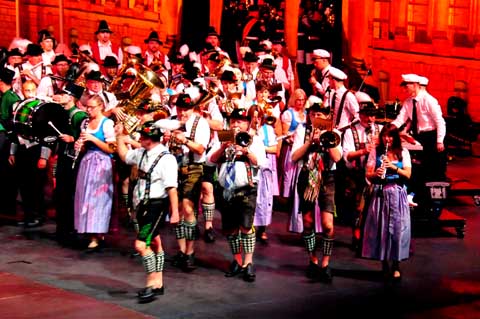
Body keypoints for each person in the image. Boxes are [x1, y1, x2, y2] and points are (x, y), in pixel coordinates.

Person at [116, 121, 179, 303]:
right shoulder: (142, 153)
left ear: (150, 139)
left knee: (141, 245)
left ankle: (151, 283)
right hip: (142, 204)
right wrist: (120, 136)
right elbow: (125, 157)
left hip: (156, 206)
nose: (139, 139)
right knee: (156, 242)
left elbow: (172, 188)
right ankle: (158, 283)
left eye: (142, 136)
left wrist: (174, 212)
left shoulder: (166, 159)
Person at [208, 108, 267, 282]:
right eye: (233, 121)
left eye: (240, 121)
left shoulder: (253, 140)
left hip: (246, 189)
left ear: (247, 123)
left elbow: (262, 163)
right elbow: (209, 161)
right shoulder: (223, 137)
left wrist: (246, 151)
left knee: (246, 227)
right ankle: (237, 260)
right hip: (227, 190)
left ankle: (248, 263)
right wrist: (223, 147)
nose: (236, 124)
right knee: (231, 229)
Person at [290, 101, 342, 283]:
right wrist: (310, 142)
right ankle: (312, 259)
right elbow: (294, 157)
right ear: (310, 115)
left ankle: (326, 263)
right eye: (315, 114)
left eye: (322, 114)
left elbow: (337, 157)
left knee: (328, 225)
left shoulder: (334, 132)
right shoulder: (301, 131)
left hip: (327, 178)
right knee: (308, 222)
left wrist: (326, 141)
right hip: (307, 176)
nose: (318, 117)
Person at [361, 124, 412, 282]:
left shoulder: (403, 152)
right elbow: (368, 174)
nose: (387, 139)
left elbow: (408, 174)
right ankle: (384, 264)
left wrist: (393, 168)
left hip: (397, 194)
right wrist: (375, 173)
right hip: (380, 194)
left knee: (398, 231)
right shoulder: (376, 152)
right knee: (381, 229)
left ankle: (396, 265)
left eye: (390, 136)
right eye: (384, 136)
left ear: (395, 137)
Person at [169, 88, 210, 272]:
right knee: (175, 210)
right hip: (174, 168)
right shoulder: (172, 121)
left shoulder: (201, 124)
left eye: (186, 109)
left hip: (194, 168)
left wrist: (183, 140)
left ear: (193, 108)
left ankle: (190, 251)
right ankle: (182, 250)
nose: (182, 112)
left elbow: (200, 149)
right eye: (179, 108)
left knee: (187, 207)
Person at [391, 74, 446, 208]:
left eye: (406, 86)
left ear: (415, 85)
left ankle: (434, 203)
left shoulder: (429, 100)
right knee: (418, 168)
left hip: (432, 137)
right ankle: (417, 197)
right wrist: (388, 129)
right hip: (419, 137)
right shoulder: (409, 102)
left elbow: (440, 122)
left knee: (434, 172)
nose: (405, 89)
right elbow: (400, 119)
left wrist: (439, 141)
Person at [74, 95, 116, 251]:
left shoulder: (107, 123)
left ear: (100, 107)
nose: (88, 110)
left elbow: (111, 148)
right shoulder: (85, 123)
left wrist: (92, 138)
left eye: (92, 107)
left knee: (98, 198)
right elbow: (85, 146)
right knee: (85, 196)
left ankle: (97, 234)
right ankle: (90, 232)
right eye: (87, 107)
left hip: (102, 162)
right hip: (87, 161)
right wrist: (81, 145)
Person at [341, 92, 382, 250]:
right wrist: (364, 151)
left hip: (376, 174)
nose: (370, 119)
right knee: (358, 208)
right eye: (367, 116)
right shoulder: (351, 132)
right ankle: (357, 236)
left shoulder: (380, 129)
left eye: (372, 116)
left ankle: (372, 237)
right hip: (357, 174)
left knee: (375, 207)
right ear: (361, 115)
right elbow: (347, 156)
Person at [9, 80, 53, 227]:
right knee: (24, 184)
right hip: (22, 149)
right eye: (26, 90)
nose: (29, 93)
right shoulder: (16, 106)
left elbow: (47, 134)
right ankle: (28, 215)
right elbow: (15, 131)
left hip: (36, 149)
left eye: (32, 90)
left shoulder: (42, 107)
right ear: (22, 90)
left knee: (37, 184)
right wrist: (12, 152)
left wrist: (44, 156)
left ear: (36, 90)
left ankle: (39, 215)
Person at [54, 82, 88, 245]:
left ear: (72, 98)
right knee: (60, 192)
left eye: (64, 94)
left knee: (70, 193)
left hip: (73, 159)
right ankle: (61, 228)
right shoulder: (60, 112)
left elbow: (84, 137)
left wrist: (72, 139)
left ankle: (70, 228)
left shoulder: (79, 115)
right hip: (62, 156)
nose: (61, 96)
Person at [0, 68, 20, 216]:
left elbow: (13, 121)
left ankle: (8, 206)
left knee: (7, 172)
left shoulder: (10, 97)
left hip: (7, 138)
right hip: (5, 136)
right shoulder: (6, 95)